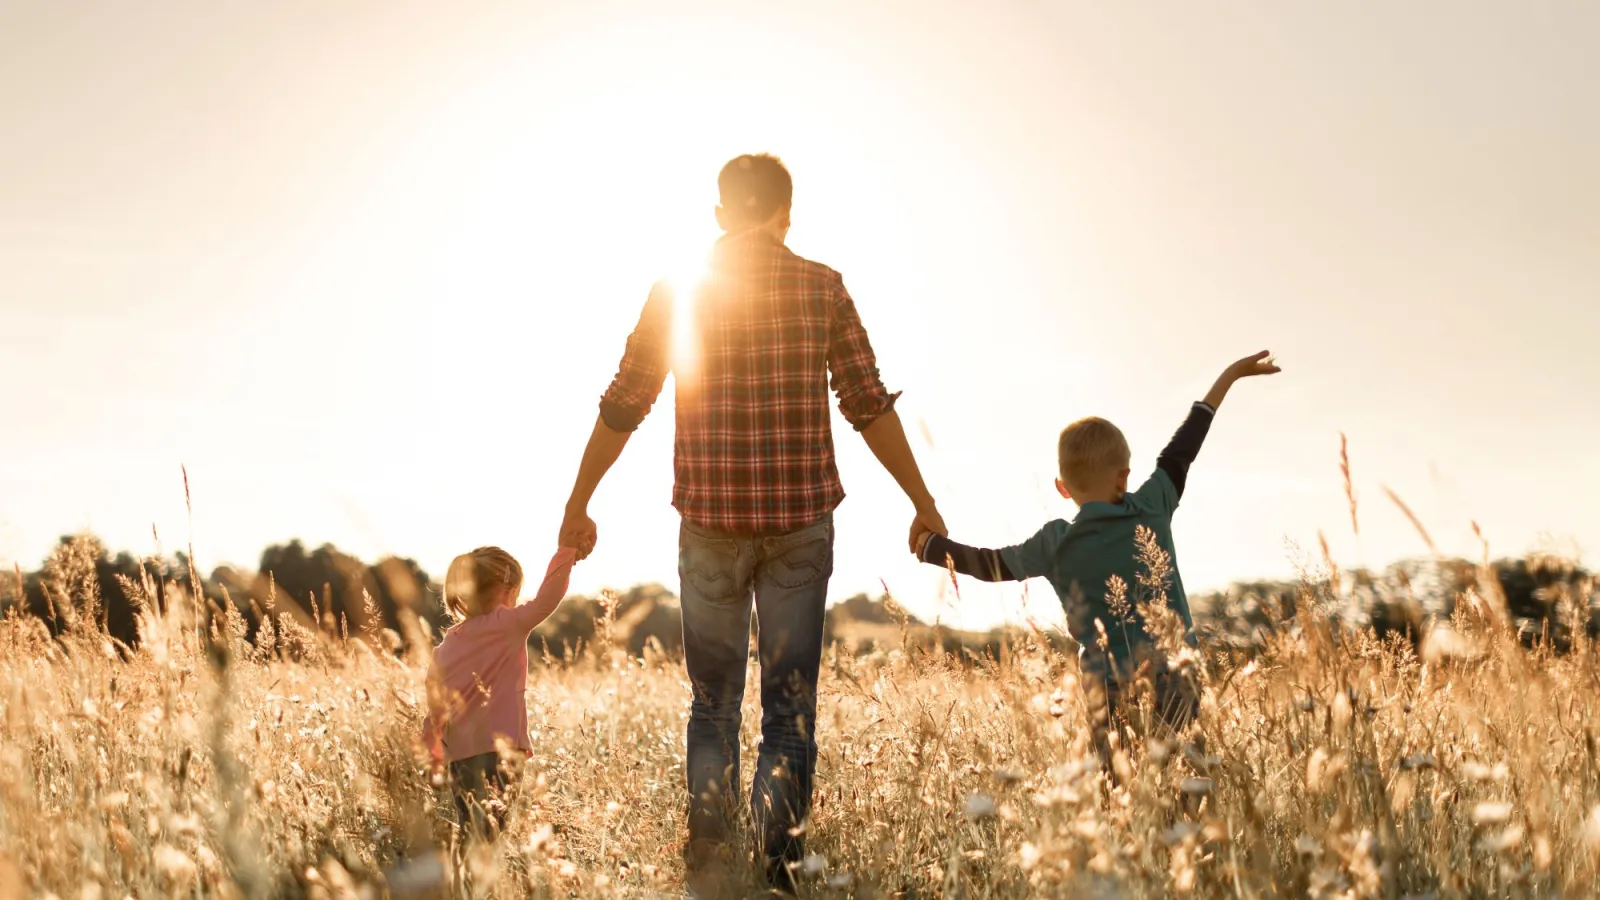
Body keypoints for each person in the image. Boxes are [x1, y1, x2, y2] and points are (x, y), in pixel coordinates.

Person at [558, 154, 945, 894]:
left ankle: (709, 865)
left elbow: (624, 401)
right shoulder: (822, 287)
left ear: (719, 215)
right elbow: (867, 403)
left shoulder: (678, 291)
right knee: (790, 708)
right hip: (800, 525)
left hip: (709, 525)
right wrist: (922, 503)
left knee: (711, 704)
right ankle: (778, 871)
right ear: (786, 215)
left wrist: (579, 501)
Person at [911, 351, 1280, 770]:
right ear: (1123, 475)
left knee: (1120, 795)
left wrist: (930, 546)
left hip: (1107, 689)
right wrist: (1228, 377)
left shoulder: (1054, 542)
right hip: (1176, 676)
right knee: (1183, 788)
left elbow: (988, 564)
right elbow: (1184, 448)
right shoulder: (1152, 506)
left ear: (1062, 487)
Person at [421, 545, 578, 842]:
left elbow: (435, 702)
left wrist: (432, 750)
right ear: (506, 587)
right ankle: (477, 886)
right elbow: (549, 598)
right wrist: (566, 553)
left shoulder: (446, 645)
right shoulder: (507, 624)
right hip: (500, 753)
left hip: (459, 757)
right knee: (492, 835)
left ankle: (463, 883)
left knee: (472, 831)